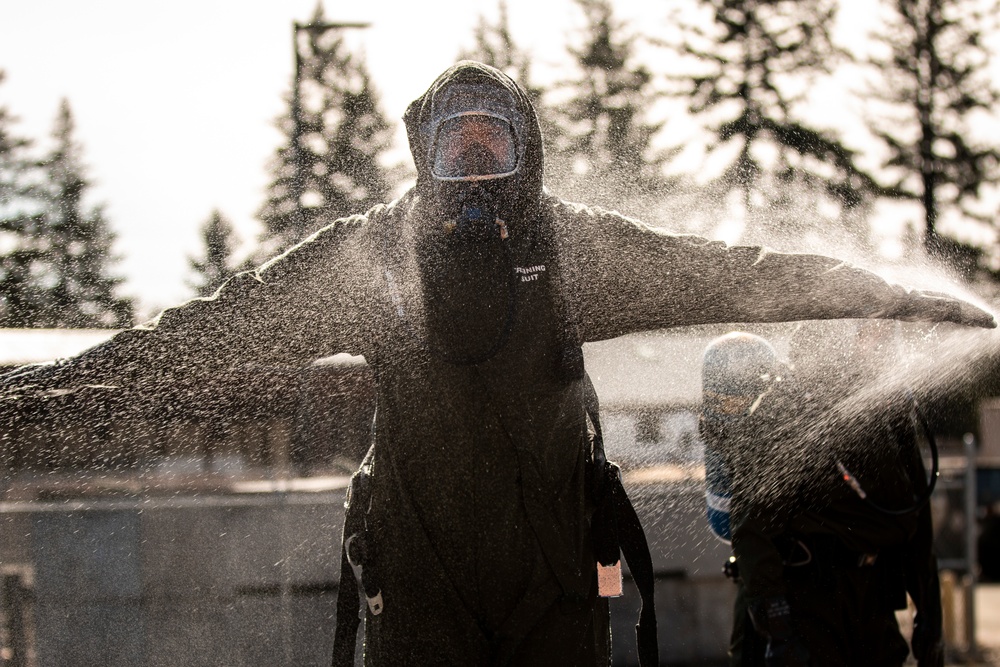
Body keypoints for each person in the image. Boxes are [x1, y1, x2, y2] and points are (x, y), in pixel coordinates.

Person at [0, 61, 987, 666]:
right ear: (420, 158)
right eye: (453, 145)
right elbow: (216, 326)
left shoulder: (576, 251)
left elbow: (739, 275)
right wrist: (63, 377)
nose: (474, 165)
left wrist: (892, 292)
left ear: (529, 152)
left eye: (493, 140)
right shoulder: (371, 260)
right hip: (420, 584)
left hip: (555, 588)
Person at [700, 328, 945, 667]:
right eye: (864, 336)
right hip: (809, 599)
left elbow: (917, 517)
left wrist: (930, 612)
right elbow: (752, 524)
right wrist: (777, 625)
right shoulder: (781, 409)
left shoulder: (890, 408)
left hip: (875, 598)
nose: (878, 341)